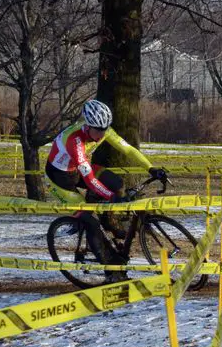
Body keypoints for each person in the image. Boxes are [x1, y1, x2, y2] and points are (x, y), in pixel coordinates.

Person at [46, 99, 167, 282]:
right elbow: (89, 178)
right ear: (87, 126)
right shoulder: (74, 140)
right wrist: (110, 198)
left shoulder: (103, 130)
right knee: (90, 221)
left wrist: (151, 168)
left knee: (116, 182)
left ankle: (109, 222)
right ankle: (111, 271)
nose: (101, 135)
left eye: (105, 130)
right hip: (59, 178)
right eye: (98, 131)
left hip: (78, 169)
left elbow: (128, 150)